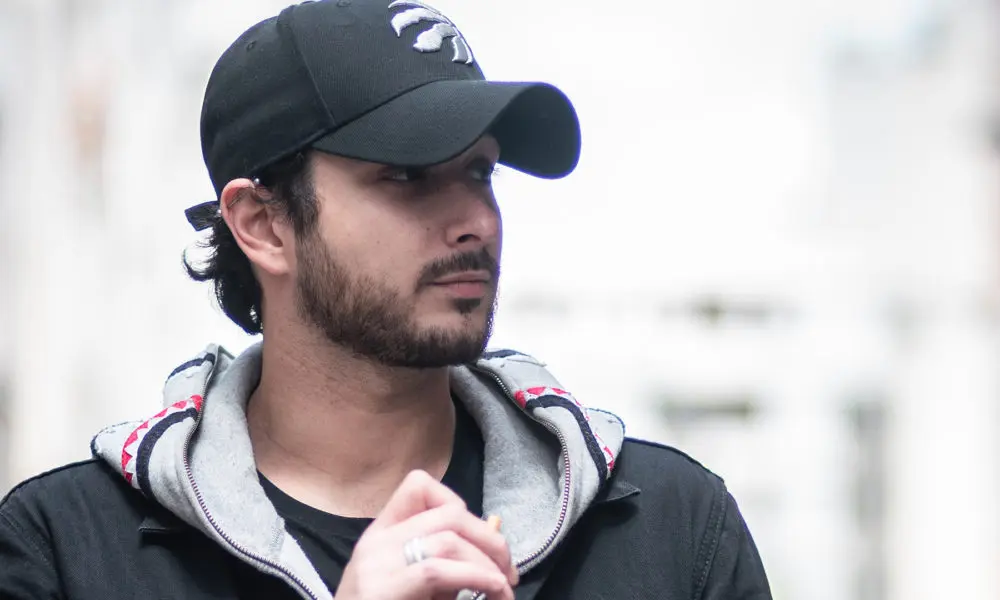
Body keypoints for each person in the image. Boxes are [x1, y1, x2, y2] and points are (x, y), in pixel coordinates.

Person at [0, 1, 772, 598]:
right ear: (263, 224)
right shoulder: (66, 551)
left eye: (480, 172)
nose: (475, 221)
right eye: (406, 176)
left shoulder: (669, 529)